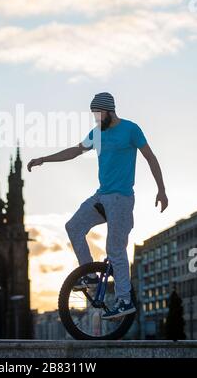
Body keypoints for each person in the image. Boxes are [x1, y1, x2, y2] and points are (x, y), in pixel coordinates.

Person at [27, 92, 168, 319]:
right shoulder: (97, 134)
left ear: (110, 111)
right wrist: (44, 158)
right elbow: (74, 151)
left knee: (115, 248)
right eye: (94, 114)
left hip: (121, 199)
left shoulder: (131, 130)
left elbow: (150, 157)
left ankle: (124, 300)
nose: (96, 119)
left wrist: (161, 189)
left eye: (99, 114)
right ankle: (90, 275)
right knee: (73, 227)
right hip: (101, 197)